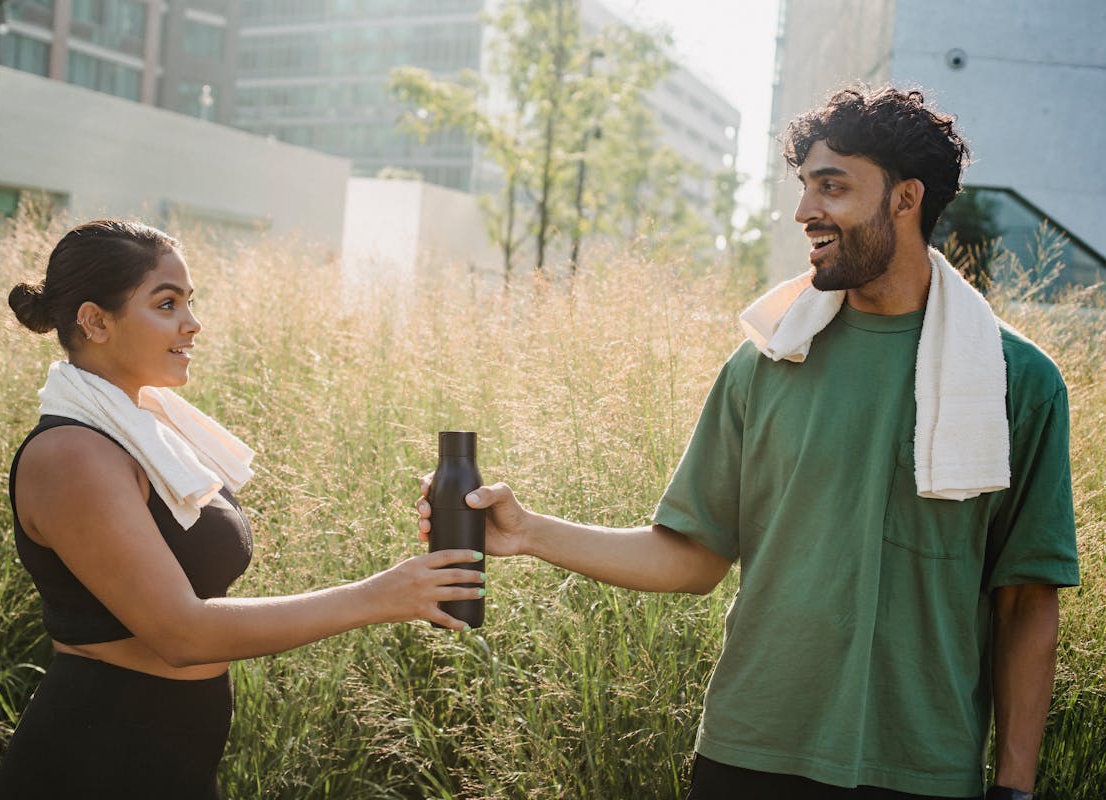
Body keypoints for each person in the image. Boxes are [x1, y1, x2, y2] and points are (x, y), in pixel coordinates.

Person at [417, 86, 1079, 800]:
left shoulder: (1017, 383)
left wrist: (1014, 789)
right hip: (748, 758)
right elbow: (694, 557)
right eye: (804, 188)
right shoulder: (766, 360)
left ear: (905, 199)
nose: (804, 213)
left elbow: (1026, 601)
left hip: (919, 770)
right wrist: (529, 533)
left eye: (833, 187)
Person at [0, 219, 486, 799]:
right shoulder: (71, 456)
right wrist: (379, 597)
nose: (192, 322)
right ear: (95, 320)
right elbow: (181, 634)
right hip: (96, 761)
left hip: (173, 761)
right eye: (166, 303)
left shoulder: (145, 430)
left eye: (190, 301)